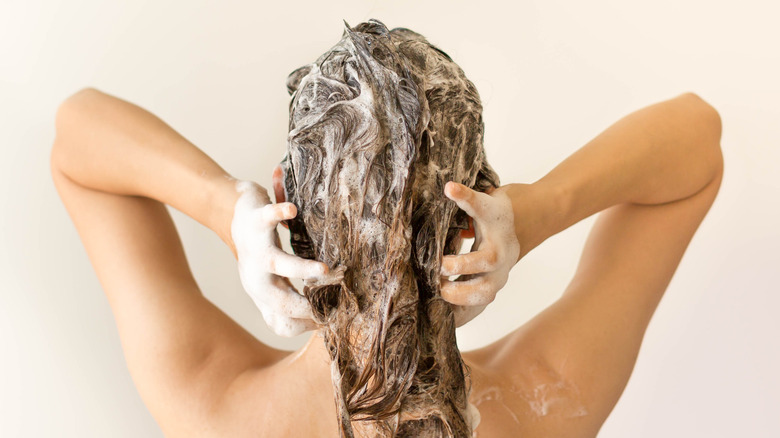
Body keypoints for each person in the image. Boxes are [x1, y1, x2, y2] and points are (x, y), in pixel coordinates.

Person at [51, 84, 722, 436]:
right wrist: (534, 214)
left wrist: (229, 210)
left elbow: (76, 138)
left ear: (288, 200)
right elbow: (697, 140)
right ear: (473, 218)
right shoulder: (544, 401)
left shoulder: (216, 409)